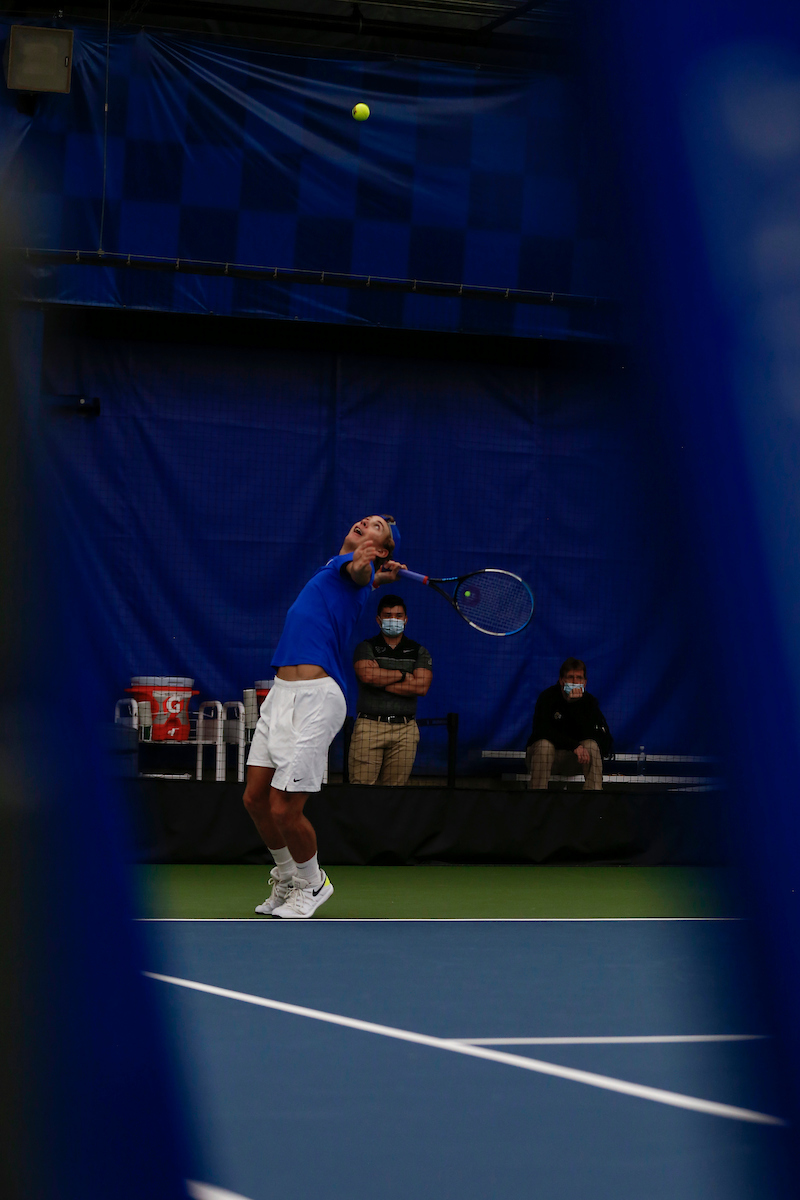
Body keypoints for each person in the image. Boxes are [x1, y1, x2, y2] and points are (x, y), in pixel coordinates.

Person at [243, 515, 403, 919]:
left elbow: (356, 569)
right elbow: (360, 576)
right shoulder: (347, 575)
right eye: (366, 519)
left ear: (380, 549)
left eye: (377, 527)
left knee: (284, 808)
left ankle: (313, 882)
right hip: (280, 695)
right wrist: (379, 575)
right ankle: (285, 876)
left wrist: (368, 563)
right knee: (255, 798)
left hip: (318, 698)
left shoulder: (350, 568)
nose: (365, 522)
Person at [348, 594, 433, 785]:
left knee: (394, 796)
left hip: (405, 730)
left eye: (398, 615)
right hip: (369, 727)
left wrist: (381, 678)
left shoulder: (418, 651)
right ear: (378, 620)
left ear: (405, 619)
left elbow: (421, 686)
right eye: (388, 615)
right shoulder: (365, 647)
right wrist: (403, 675)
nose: (393, 620)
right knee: (361, 792)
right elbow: (368, 676)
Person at [526, 657, 613, 791]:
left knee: (592, 745)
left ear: (584, 683)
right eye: (570, 677)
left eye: (579, 678)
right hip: (546, 758)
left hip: (576, 760)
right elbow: (542, 731)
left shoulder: (589, 702)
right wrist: (573, 745)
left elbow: (591, 735)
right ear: (561, 680)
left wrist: (575, 705)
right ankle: (536, 800)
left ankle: (594, 801)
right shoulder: (547, 697)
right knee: (544, 745)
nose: (575, 682)